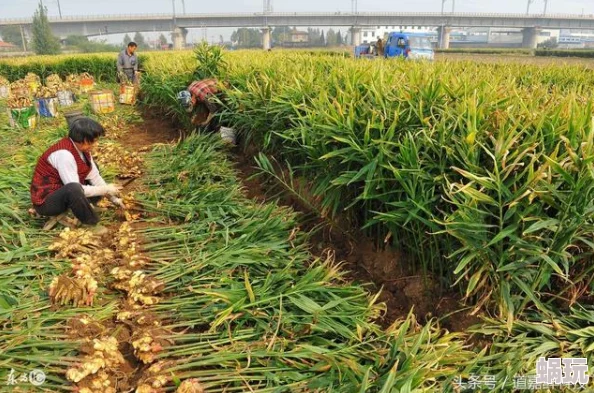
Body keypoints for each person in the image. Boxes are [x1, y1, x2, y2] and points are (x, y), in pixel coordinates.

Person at [30, 117, 124, 234]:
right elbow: (76, 188)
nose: (95, 144)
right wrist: (106, 189)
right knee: (73, 189)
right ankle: (91, 224)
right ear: (83, 139)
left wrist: (114, 198)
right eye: (93, 141)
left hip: (61, 191)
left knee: (90, 168)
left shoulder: (83, 151)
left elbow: (95, 178)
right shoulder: (64, 155)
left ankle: (86, 207)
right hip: (47, 201)